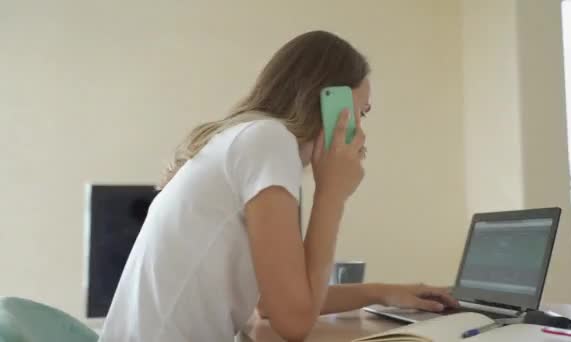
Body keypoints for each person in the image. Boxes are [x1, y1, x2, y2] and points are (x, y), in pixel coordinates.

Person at [100, 30, 457, 342]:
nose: (362, 133)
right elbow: (293, 322)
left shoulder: (250, 139)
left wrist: (382, 293)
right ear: (331, 106)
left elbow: (272, 304)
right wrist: (331, 193)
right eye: (361, 114)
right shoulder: (267, 142)